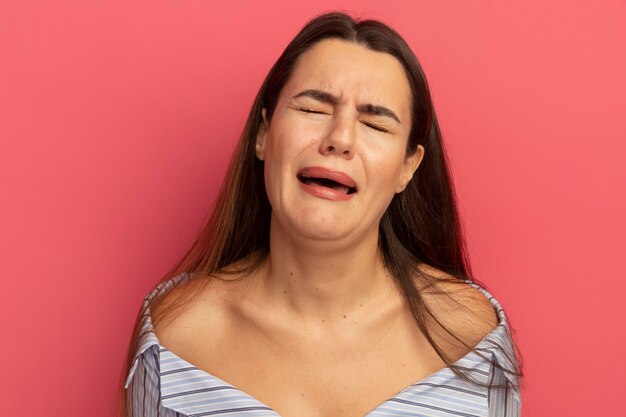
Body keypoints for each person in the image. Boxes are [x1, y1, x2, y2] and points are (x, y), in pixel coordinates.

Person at [120, 11, 523, 417]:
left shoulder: (474, 340)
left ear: (408, 167)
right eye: (313, 109)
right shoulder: (174, 341)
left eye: (376, 124)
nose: (340, 139)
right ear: (264, 133)